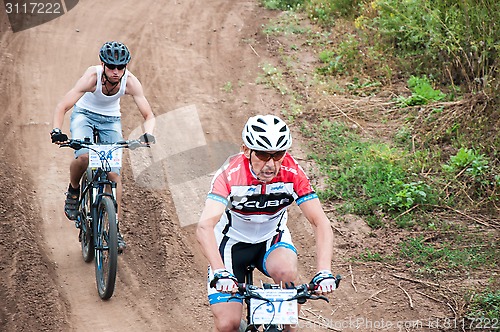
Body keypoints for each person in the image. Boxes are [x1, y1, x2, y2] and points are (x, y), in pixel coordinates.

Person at [196, 114, 337, 332]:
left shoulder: (292, 173)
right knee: (227, 325)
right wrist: (219, 271)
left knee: (287, 273)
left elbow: (320, 222)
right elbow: (205, 226)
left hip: (272, 240)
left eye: (278, 154)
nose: (270, 164)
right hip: (231, 245)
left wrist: (324, 271)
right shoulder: (229, 175)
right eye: (262, 154)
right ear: (246, 150)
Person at [50, 41, 155, 250]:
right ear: (102, 64)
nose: (116, 72)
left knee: (114, 175)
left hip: (110, 120)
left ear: (125, 67)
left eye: (120, 67)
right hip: (84, 115)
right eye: (111, 67)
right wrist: (56, 130)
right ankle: (73, 190)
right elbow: (63, 106)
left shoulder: (131, 82)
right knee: (84, 157)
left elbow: (149, 115)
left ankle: (114, 228)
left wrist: (148, 135)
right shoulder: (92, 77)